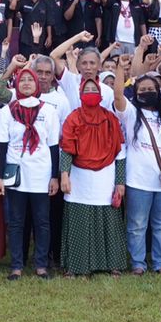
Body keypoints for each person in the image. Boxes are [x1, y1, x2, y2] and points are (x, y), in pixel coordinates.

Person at [0, 66, 61, 279]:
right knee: (16, 221)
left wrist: (54, 177)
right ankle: (17, 265)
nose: (25, 83)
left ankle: (41, 265)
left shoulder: (48, 110)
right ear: (16, 84)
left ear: (37, 84)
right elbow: (2, 146)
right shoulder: (8, 111)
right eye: (21, 80)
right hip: (16, 173)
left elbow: (53, 146)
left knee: (42, 221)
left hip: (42, 173)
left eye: (29, 80)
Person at [59, 77, 127, 276]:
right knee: (78, 220)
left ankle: (112, 264)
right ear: (80, 93)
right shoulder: (73, 118)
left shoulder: (110, 118)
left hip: (106, 177)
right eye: (86, 89)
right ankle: (76, 266)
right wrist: (65, 175)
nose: (90, 92)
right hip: (79, 177)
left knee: (109, 221)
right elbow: (67, 149)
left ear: (100, 94)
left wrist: (120, 182)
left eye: (93, 89)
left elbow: (120, 152)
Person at [115, 71, 161, 274]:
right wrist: (120, 70)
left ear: (158, 92)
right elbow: (117, 97)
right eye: (142, 90)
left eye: (151, 89)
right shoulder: (132, 113)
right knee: (137, 225)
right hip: (139, 180)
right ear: (136, 93)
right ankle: (138, 263)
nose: (147, 92)